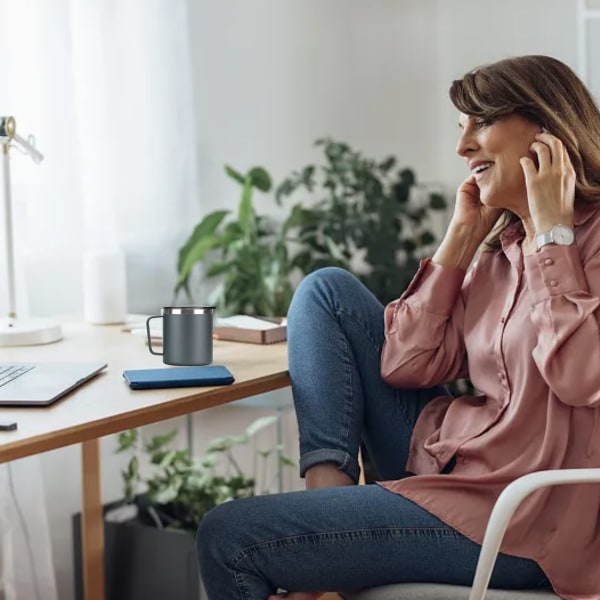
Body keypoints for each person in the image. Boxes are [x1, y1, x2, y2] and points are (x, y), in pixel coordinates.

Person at [196, 54, 600, 600]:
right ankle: (326, 497)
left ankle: (324, 551)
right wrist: (458, 242)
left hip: (519, 517)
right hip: (456, 465)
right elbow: (405, 364)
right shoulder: (504, 249)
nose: (462, 149)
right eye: (461, 130)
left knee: (230, 538)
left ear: (547, 128)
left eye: (480, 123)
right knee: (326, 291)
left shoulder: (582, 241)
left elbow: (581, 378)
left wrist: (555, 237)